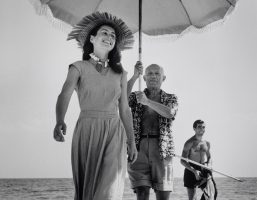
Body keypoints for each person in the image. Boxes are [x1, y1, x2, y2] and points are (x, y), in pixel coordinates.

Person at [53, 12, 138, 200]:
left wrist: (131, 141)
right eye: (105, 33)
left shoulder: (121, 73)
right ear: (92, 38)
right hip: (87, 129)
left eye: (113, 36)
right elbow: (65, 94)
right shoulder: (78, 67)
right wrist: (59, 120)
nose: (109, 37)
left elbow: (124, 109)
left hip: (114, 131)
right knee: (87, 191)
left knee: (109, 190)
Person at [127, 62, 178, 200]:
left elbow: (170, 113)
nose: (153, 76)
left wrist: (147, 102)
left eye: (157, 73)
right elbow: (121, 99)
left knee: (162, 195)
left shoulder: (170, 98)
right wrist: (133, 77)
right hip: (138, 148)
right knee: (142, 192)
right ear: (144, 78)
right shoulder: (137, 96)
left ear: (164, 78)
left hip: (162, 149)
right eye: (149, 73)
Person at [181, 119, 217, 200]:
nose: (202, 129)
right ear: (194, 128)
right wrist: (194, 171)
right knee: (192, 198)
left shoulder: (207, 143)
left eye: (203, 127)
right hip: (191, 169)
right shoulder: (189, 143)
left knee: (212, 195)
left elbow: (209, 157)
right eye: (199, 127)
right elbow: (182, 160)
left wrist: (209, 165)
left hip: (204, 168)